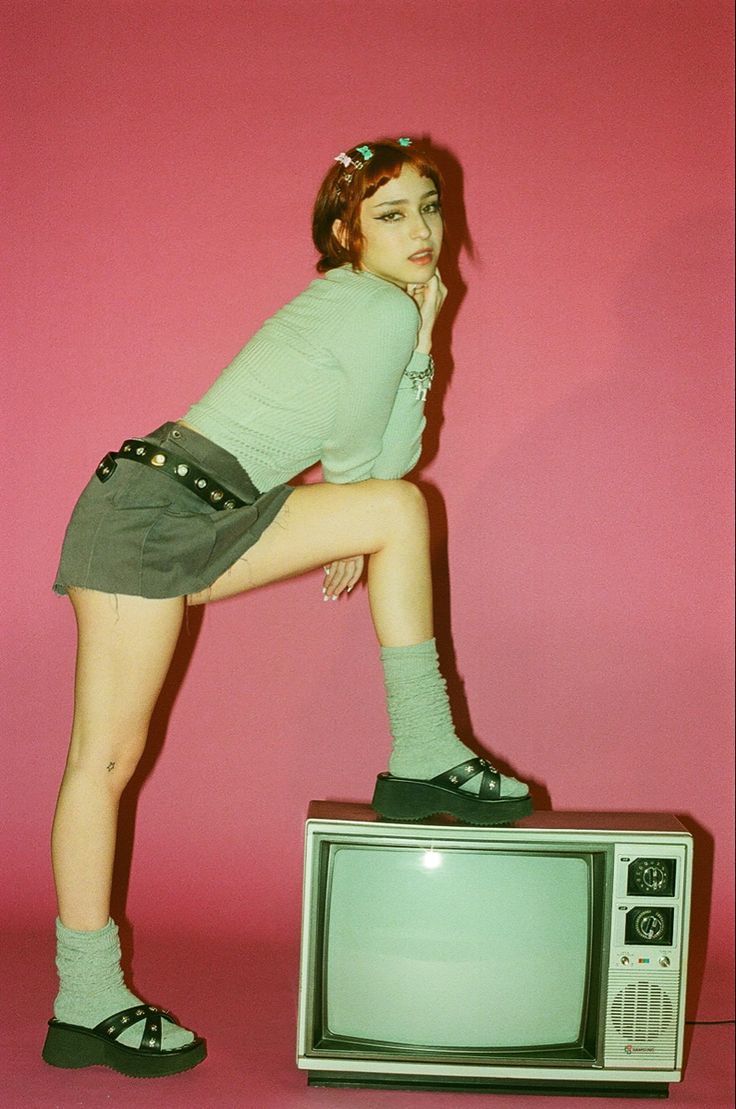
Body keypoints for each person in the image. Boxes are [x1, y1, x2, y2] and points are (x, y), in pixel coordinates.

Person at [42, 139, 532, 1078]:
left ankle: (426, 748)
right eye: (392, 213)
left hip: (221, 507)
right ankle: (86, 997)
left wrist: (426, 335)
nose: (422, 230)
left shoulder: (390, 311)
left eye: (429, 207)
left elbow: (382, 467)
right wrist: (356, 498)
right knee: (104, 760)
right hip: (149, 512)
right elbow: (364, 457)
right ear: (348, 230)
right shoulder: (366, 305)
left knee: (395, 512)